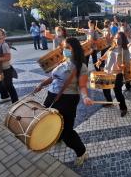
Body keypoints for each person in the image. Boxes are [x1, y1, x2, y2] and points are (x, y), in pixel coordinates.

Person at [33, 37, 93, 166]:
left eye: (67, 48)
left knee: (67, 130)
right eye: (63, 47)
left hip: (68, 99)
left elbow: (82, 86)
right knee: (48, 119)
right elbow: (53, 77)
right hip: (52, 95)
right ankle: (57, 137)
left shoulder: (81, 66)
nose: (64, 50)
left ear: (75, 50)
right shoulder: (62, 61)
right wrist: (41, 84)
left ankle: (81, 151)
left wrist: (85, 97)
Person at [96, 32, 129, 117]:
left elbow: (127, 63)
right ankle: (109, 102)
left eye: (119, 38)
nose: (117, 39)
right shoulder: (112, 48)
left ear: (123, 40)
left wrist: (122, 66)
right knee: (105, 89)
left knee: (117, 92)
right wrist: (100, 60)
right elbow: (105, 56)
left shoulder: (124, 50)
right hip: (107, 72)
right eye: (116, 38)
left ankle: (123, 108)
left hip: (117, 74)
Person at [0, 28, 18, 103]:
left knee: (8, 85)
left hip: (6, 69)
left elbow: (8, 58)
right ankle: (5, 96)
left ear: (3, 35)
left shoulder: (4, 45)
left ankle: (15, 101)